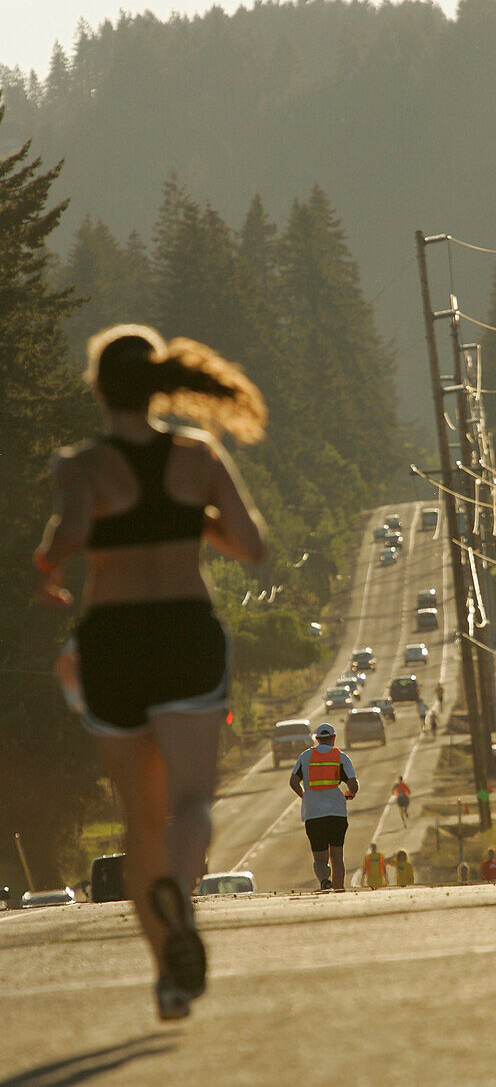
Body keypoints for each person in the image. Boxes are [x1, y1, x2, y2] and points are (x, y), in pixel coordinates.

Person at [33, 324, 267, 1021]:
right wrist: (195, 522)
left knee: (140, 819)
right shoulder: (198, 455)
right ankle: (183, 900)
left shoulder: (81, 465)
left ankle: (169, 975)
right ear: (163, 386)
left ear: (100, 391)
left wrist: (45, 567)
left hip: (112, 639)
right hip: (186, 632)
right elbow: (250, 545)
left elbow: (69, 536)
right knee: (193, 800)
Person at [290, 722, 358, 891]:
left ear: (317, 739)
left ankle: (324, 881)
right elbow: (353, 785)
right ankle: (339, 890)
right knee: (337, 856)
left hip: (314, 815)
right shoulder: (341, 757)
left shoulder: (305, 757)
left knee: (320, 859)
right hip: (337, 814)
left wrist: (305, 796)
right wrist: (349, 794)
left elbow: (293, 782)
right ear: (333, 738)